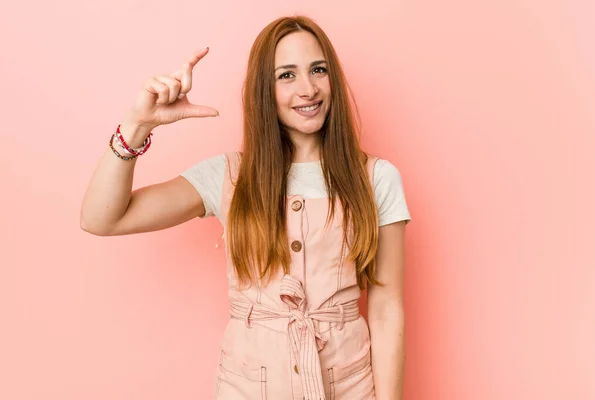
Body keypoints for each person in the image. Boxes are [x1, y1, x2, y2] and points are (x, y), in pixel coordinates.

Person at [81, 15, 411, 400]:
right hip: (247, 387)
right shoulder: (228, 176)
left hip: (349, 386)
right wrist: (138, 125)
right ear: (263, 90)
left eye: (317, 70)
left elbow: (387, 307)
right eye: (286, 75)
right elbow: (101, 218)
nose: (308, 89)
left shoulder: (376, 178)